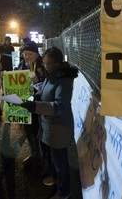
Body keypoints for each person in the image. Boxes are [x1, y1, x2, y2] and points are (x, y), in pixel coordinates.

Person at [18, 46, 78, 199]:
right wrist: (35, 98)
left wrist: (36, 106)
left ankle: (64, 192)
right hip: (49, 125)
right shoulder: (52, 74)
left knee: (61, 162)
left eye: (47, 63)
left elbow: (59, 106)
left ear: (58, 62)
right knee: (53, 156)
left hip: (58, 127)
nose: (44, 66)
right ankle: (54, 177)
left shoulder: (64, 80)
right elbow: (44, 91)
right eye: (43, 63)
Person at [15, 41, 48, 170]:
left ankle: (45, 161)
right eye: (25, 54)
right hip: (25, 102)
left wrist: (38, 81)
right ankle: (35, 155)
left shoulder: (43, 65)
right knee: (29, 130)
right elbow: (16, 76)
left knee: (40, 131)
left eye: (30, 54)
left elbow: (48, 86)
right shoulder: (23, 64)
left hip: (40, 103)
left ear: (36, 53)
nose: (27, 57)